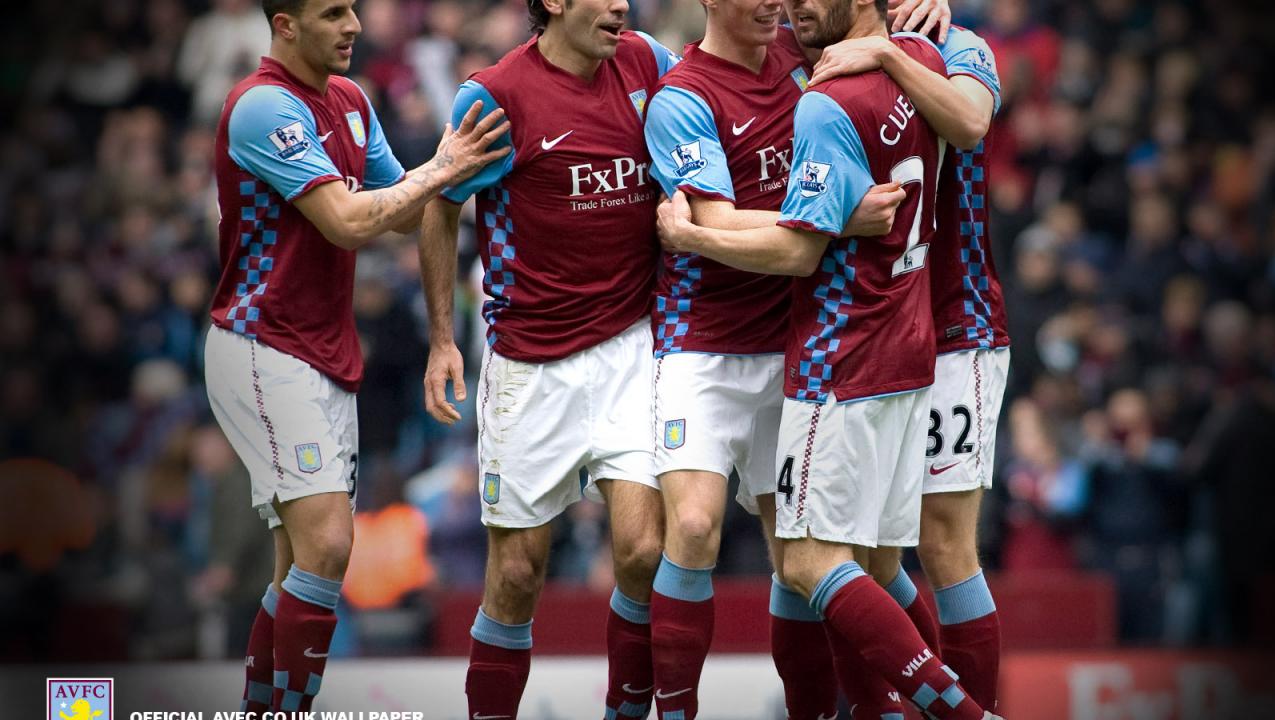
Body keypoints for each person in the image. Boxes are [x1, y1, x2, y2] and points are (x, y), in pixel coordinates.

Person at [656, 0, 999, 717]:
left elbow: (802, 247)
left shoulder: (905, 61)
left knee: (832, 557)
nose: (790, 5)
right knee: (863, 560)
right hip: (896, 339)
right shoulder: (869, 58)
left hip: (870, 342)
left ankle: (967, 712)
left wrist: (692, 238)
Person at [204, 0, 509, 712]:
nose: (353, 26)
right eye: (333, 12)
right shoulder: (261, 107)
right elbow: (346, 221)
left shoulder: (348, 100)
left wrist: (455, 177)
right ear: (285, 24)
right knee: (331, 543)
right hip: (262, 344)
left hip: (323, 352)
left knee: (301, 564)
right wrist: (443, 167)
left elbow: (404, 209)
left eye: (353, 9)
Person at [415, 0, 679, 715]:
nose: (622, 5)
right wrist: (442, 337)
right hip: (529, 364)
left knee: (643, 553)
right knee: (517, 574)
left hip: (633, 346)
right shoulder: (495, 95)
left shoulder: (647, 62)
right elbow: (439, 204)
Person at [810, 13, 1009, 711]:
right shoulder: (823, 50)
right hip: (877, 330)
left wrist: (890, 58)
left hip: (957, 323)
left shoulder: (961, 45)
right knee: (862, 550)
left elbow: (971, 123)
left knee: (944, 539)